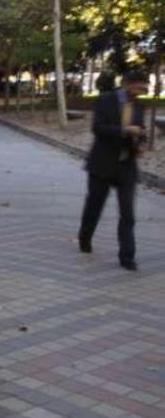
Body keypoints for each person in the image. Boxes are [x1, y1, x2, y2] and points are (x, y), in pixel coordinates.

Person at [78, 69, 148, 271]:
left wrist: (139, 140)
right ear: (127, 83)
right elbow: (97, 128)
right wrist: (124, 130)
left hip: (127, 165)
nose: (142, 90)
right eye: (140, 86)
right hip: (102, 164)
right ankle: (85, 237)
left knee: (128, 214)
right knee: (94, 206)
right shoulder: (105, 100)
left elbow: (140, 129)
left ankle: (127, 257)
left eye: (144, 87)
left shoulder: (138, 105)